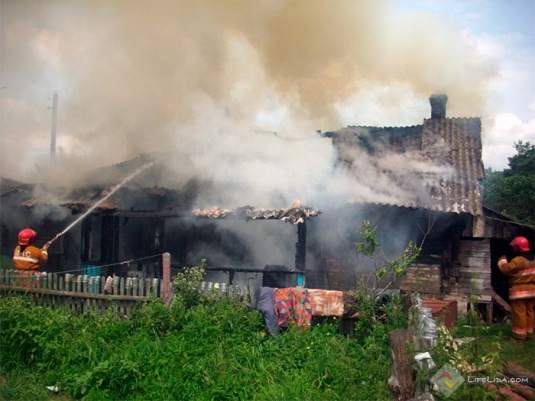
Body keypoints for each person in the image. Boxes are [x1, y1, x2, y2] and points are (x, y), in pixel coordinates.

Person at [498, 236, 535, 341]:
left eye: (514, 247)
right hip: (532, 290)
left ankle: (519, 337)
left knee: (519, 313)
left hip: (520, 291)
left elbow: (506, 269)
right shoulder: (533, 259)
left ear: (518, 247)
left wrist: (502, 260)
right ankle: (528, 334)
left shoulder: (518, 260)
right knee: (530, 312)